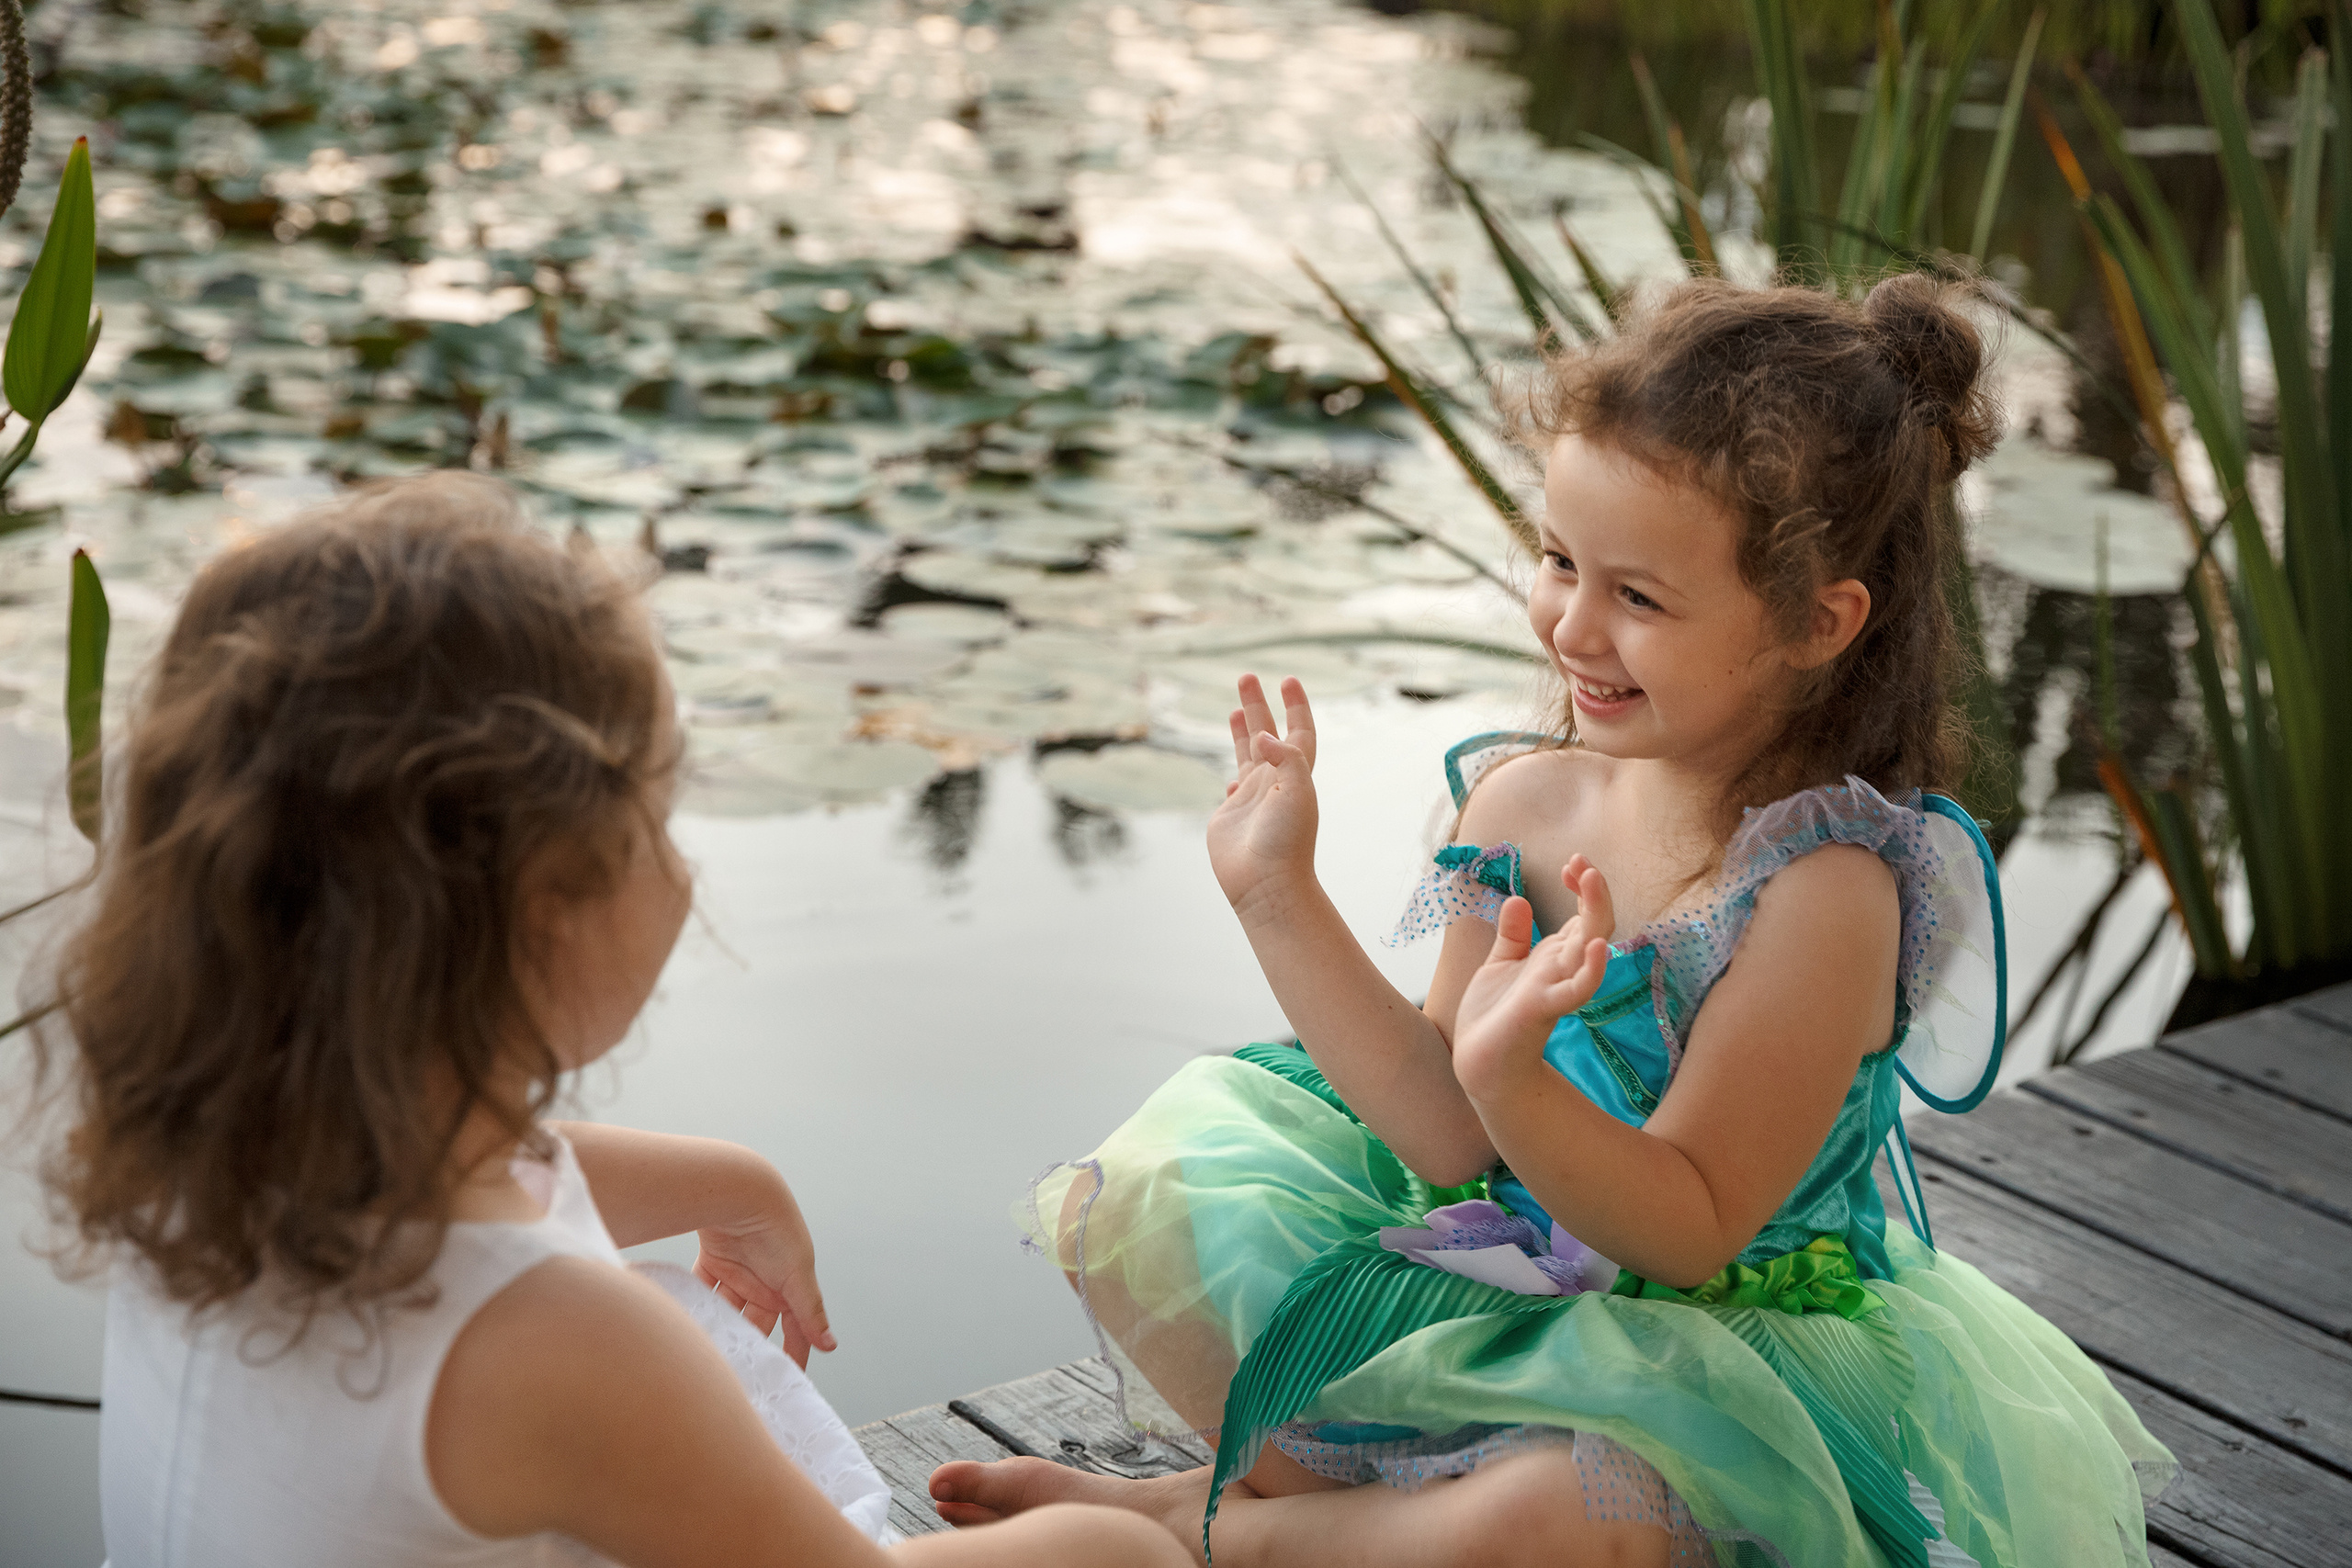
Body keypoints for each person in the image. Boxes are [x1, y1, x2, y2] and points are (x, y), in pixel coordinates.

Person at [929, 276, 2176, 1567]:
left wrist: (1511, 1075)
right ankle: (1301, 1512)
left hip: (1722, 1359)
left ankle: (1212, 1529)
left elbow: (1691, 1228)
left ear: (1817, 620)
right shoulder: (1515, 798)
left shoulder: (1825, 893)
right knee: (1159, 1202)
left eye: (1638, 596)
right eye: (1560, 560)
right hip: (1511, 1281)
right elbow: (1438, 1122)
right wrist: (1276, 892)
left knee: (1568, 1514)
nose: (1573, 625)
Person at [38, 474, 1185, 1568]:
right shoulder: (562, 1345)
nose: (685, 872)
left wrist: (733, 1185)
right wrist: (1120, 1545)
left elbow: (478, 1171)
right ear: (539, 911)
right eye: (658, 815)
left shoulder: (208, 1159)